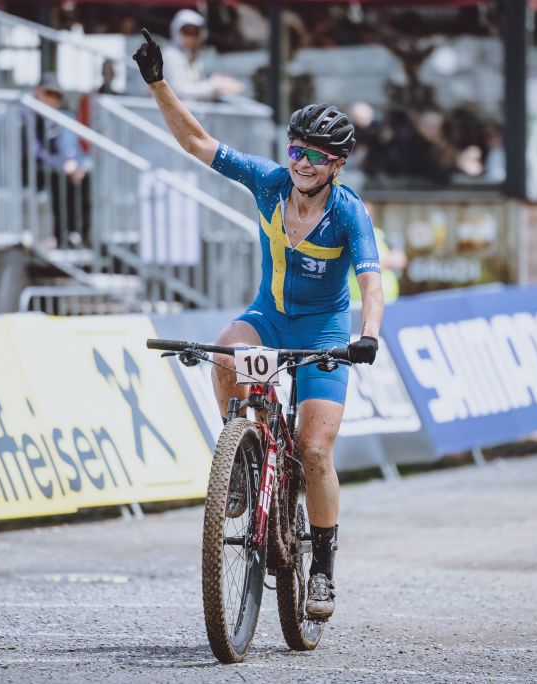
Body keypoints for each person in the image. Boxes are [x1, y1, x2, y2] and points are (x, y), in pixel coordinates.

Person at [133, 29, 383, 621]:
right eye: (296, 150)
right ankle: (238, 453)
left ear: (337, 165)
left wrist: (366, 335)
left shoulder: (349, 214)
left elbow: (371, 284)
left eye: (315, 156)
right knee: (224, 352)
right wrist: (157, 82)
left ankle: (321, 562)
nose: (301, 163)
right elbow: (197, 142)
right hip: (268, 318)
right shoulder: (270, 182)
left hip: (324, 332)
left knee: (315, 452)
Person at [27, 73, 92, 247]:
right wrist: (62, 165)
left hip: (49, 166)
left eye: (57, 96)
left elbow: (63, 147)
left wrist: (77, 165)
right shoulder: (26, 113)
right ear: (37, 92)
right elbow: (33, 151)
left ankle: (80, 234)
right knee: (59, 178)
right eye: (49, 94)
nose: (53, 100)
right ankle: (60, 236)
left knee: (86, 177)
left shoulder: (55, 118)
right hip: (26, 169)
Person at [162, 9, 243, 101]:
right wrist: (215, 86)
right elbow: (179, 91)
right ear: (176, 31)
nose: (190, 37)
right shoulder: (171, 56)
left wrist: (217, 83)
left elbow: (196, 85)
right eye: (186, 32)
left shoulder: (191, 56)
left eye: (194, 32)